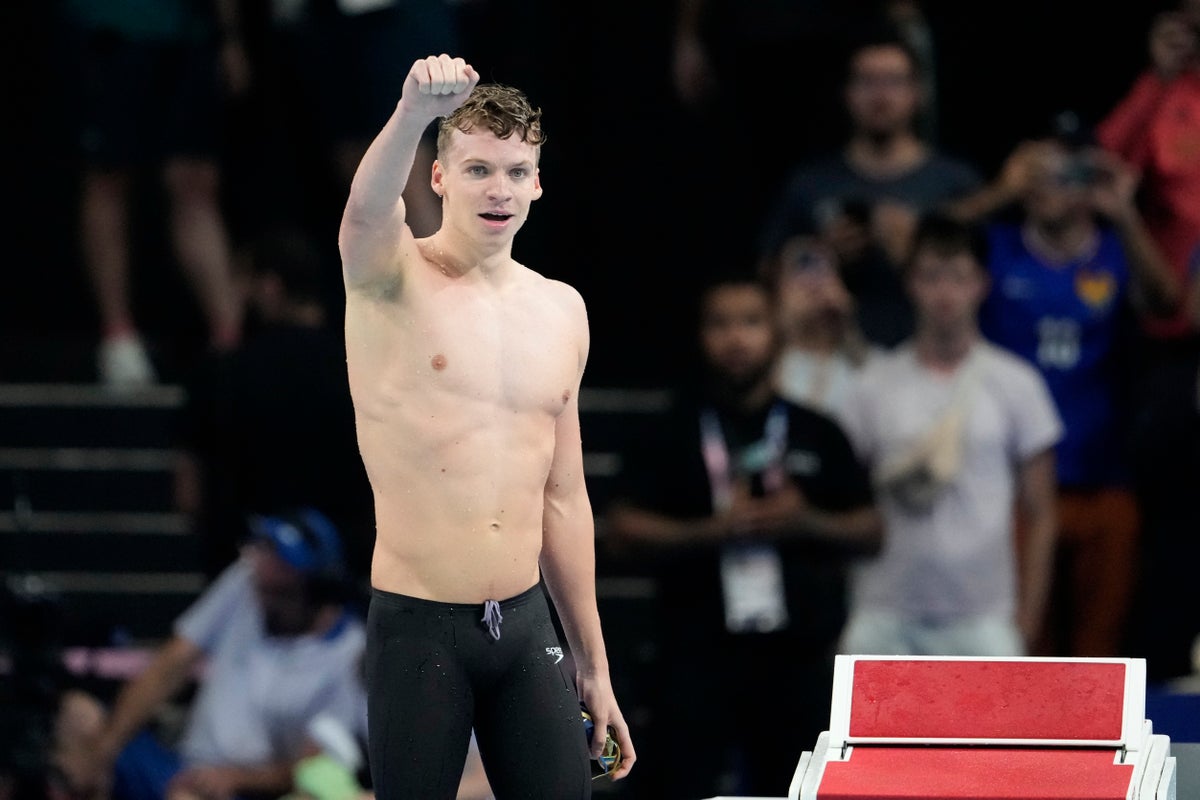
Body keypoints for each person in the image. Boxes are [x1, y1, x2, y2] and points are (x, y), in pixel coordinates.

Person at [337, 54, 634, 798]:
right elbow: (366, 212)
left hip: (527, 627)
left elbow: (564, 499)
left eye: (514, 172)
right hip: (419, 631)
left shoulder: (562, 309)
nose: (497, 190)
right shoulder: (390, 279)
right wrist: (412, 111)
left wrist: (594, 668)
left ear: (537, 182)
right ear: (439, 178)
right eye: (476, 170)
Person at [606, 274, 881, 798]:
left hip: (795, 657)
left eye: (751, 322)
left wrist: (806, 522)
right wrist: (712, 531)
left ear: (776, 331)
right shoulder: (672, 430)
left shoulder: (816, 430)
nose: (736, 338)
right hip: (695, 651)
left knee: (797, 790)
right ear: (700, 335)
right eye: (721, 324)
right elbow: (621, 529)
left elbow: (871, 530)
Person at [953, 123, 1181, 657]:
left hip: (1103, 478)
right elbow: (921, 246)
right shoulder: (994, 249)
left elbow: (1167, 305)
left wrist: (1124, 212)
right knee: (1020, 644)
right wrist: (1000, 192)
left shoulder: (1114, 252)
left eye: (1062, 174)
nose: (1045, 186)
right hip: (1008, 487)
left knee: (1098, 649)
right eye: (1036, 173)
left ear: (1087, 181)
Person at [838, 213, 1063, 657]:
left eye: (959, 277)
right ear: (910, 284)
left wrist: (1028, 619)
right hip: (884, 610)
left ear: (981, 284)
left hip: (984, 614)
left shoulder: (1018, 383)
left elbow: (1042, 513)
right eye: (930, 277)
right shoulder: (871, 385)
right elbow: (846, 502)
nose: (944, 292)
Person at [52, 509, 368, 800]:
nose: (262, 570)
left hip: (243, 789)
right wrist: (104, 749)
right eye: (264, 554)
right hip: (180, 765)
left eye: (281, 568)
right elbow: (169, 667)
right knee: (76, 715)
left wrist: (235, 778)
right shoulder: (246, 581)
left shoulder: (348, 654)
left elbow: (316, 766)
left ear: (315, 588)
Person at [59, 0, 248, 388]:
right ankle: (118, 339)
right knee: (108, 175)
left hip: (191, 35)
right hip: (110, 30)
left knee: (193, 181)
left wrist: (229, 35)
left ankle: (230, 345)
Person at [759, 25, 983, 349]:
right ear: (847, 93)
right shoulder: (810, 183)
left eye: (893, 82)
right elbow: (765, 273)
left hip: (928, 359)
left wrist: (918, 250)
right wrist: (821, 256)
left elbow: (990, 276)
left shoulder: (955, 181)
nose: (880, 96)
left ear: (917, 93)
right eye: (867, 82)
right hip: (832, 359)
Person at [177, 226, 374, 581]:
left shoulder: (222, 374)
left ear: (269, 286)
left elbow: (189, 493)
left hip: (245, 572)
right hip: (347, 572)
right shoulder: (366, 367)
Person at [761, 229, 883, 428]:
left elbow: (862, 358)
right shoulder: (766, 362)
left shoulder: (869, 364)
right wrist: (784, 319)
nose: (814, 284)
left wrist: (846, 320)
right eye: (800, 268)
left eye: (823, 269)